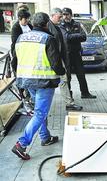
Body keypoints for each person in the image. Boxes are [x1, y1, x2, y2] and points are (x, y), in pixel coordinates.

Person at [11, 12, 65, 160]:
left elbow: (14, 61)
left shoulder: (21, 38)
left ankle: (45, 137)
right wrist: (63, 72)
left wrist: (19, 80)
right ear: (47, 24)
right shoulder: (48, 38)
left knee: (38, 111)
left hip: (27, 81)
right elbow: (55, 63)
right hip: (44, 82)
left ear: (33, 23)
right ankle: (21, 144)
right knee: (40, 113)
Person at [48, 8, 82, 111]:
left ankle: (69, 103)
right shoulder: (49, 27)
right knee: (60, 81)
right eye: (59, 17)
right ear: (53, 16)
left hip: (60, 58)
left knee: (64, 80)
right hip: (52, 59)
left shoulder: (56, 27)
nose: (61, 18)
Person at [59, 7, 96, 99]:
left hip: (76, 53)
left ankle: (85, 93)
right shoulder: (61, 25)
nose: (65, 16)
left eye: (67, 14)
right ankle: (69, 95)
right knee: (68, 77)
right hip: (66, 54)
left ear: (71, 15)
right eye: (64, 15)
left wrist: (72, 36)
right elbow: (66, 37)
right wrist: (76, 36)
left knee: (81, 74)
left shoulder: (77, 24)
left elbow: (84, 37)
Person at [10, 9, 33, 114]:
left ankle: (29, 97)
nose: (27, 21)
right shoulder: (15, 27)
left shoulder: (29, 26)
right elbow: (16, 42)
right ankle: (23, 98)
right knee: (21, 78)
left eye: (28, 19)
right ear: (20, 19)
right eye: (26, 19)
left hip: (29, 55)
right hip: (19, 57)